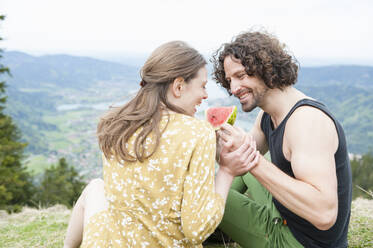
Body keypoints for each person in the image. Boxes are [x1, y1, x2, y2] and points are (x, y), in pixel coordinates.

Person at [63, 41, 255, 248]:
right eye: (202, 86)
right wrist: (226, 171)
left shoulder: (114, 124)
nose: (205, 95)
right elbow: (196, 230)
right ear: (179, 86)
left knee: (95, 187)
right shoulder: (198, 133)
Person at [212, 30, 352, 248]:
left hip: (297, 241)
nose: (233, 88)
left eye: (241, 76)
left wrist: (252, 160)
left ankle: (208, 220)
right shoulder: (268, 114)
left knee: (203, 193)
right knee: (243, 160)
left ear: (266, 69)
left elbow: (324, 214)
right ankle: (216, 223)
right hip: (287, 212)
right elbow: (232, 161)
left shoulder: (306, 122)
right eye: (229, 80)